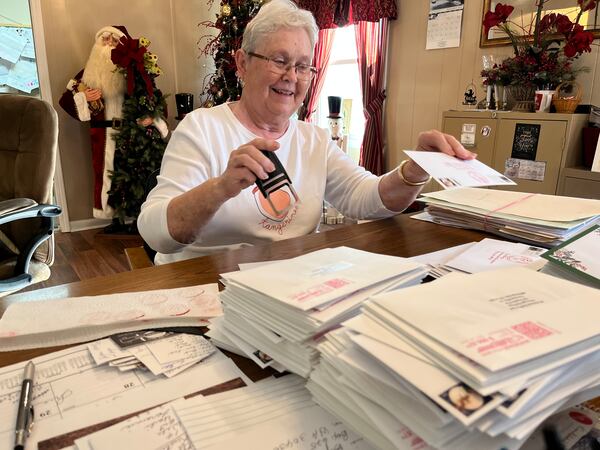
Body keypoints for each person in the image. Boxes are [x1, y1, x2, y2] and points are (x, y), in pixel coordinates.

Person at [137, 0, 475, 265]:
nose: (291, 77)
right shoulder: (202, 128)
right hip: (204, 282)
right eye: (279, 60)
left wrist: (413, 172)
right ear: (242, 64)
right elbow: (155, 233)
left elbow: (367, 198)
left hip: (287, 285)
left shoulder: (314, 139)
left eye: (302, 66)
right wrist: (221, 188)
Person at [60, 25, 167, 220]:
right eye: (105, 39)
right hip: (102, 135)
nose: (108, 44)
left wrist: (153, 119)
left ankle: (137, 218)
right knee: (107, 176)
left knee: (133, 174)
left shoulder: (134, 71)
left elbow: (154, 99)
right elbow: (65, 101)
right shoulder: (88, 75)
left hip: (132, 133)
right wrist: (82, 95)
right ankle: (113, 218)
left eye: (114, 40)